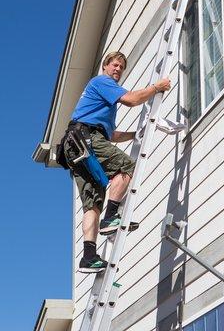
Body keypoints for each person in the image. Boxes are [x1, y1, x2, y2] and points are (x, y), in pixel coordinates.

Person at [64, 51, 171, 273]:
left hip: (76, 145)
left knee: (92, 202)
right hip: (84, 139)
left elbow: (110, 135)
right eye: (114, 65)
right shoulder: (101, 82)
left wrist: (136, 134)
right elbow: (131, 100)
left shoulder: (102, 102)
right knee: (125, 167)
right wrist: (156, 88)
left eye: (121, 67)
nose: (118, 70)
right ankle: (111, 217)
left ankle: (89, 257)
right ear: (105, 66)